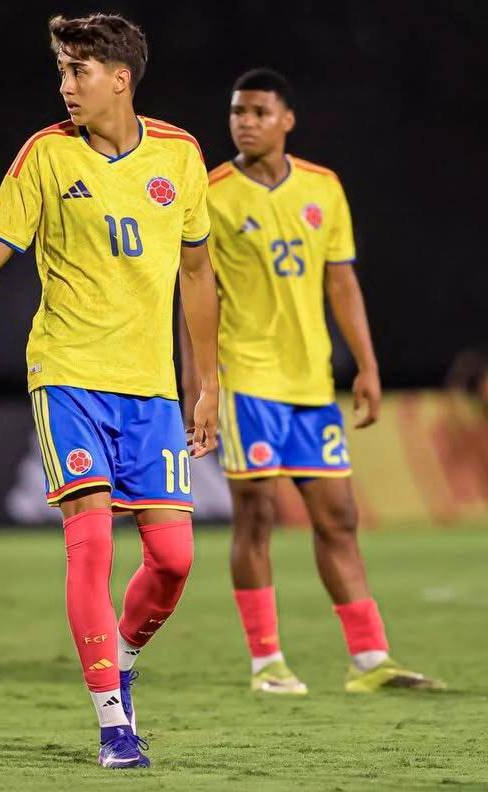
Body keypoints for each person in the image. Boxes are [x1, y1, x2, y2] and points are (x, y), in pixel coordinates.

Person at [0, 13, 219, 768]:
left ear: (121, 78)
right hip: (67, 377)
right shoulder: (45, 154)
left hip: (151, 390)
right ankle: (113, 725)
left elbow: (198, 272)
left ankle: (123, 659)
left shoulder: (180, 154)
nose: (66, 85)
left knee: (174, 559)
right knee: (91, 541)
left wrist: (207, 383)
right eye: (62, 71)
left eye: (79, 71)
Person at [181, 67, 443, 694]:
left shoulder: (323, 187)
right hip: (247, 379)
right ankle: (266, 662)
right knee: (256, 515)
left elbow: (342, 281)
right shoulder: (210, 193)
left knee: (339, 518)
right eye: (238, 112)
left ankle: (369, 660)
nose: (245, 122)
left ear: (287, 120)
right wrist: (201, 387)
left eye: (259, 112)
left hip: (311, 383)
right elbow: (191, 295)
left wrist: (368, 366)